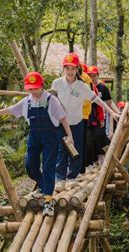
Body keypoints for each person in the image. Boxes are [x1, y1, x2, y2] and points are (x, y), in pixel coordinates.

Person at [0, 72, 73, 217]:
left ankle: (48, 201)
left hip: (51, 137)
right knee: (30, 166)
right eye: (30, 89)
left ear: (42, 86)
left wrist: (70, 136)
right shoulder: (27, 101)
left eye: (35, 88)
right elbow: (10, 110)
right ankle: (44, 186)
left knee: (48, 167)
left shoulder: (51, 100)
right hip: (34, 137)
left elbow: (63, 118)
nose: (32, 92)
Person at [52, 53, 120, 191]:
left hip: (76, 121)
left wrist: (110, 111)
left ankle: (72, 177)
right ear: (63, 68)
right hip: (60, 122)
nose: (70, 71)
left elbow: (97, 100)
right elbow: (50, 100)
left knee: (76, 149)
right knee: (61, 149)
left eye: (73, 68)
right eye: (67, 68)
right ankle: (59, 178)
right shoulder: (56, 83)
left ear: (77, 69)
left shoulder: (82, 86)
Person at [87, 65, 119, 165]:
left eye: (94, 76)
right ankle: (94, 161)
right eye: (90, 76)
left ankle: (103, 157)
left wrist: (117, 112)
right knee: (90, 140)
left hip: (100, 116)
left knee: (100, 136)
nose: (92, 78)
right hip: (88, 116)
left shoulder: (103, 88)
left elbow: (109, 102)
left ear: (97, 75)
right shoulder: (86, 86)